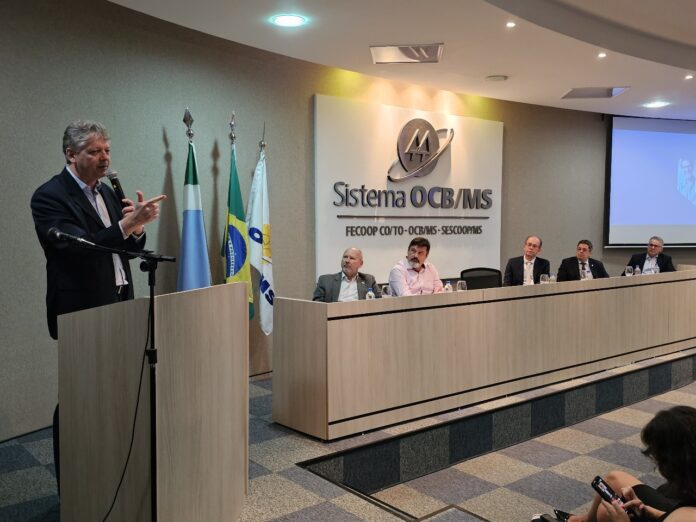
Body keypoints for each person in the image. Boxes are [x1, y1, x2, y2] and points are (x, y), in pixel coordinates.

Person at [31, 120, 166, 492]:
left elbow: (125, 249)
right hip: (82, 311)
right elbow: (78, 248)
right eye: (94, 151)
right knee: (79, 397)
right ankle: (73, 486)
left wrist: (137, 229)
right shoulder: (49, 196)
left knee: (116, 392)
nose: (105, 158)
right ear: (71, 154)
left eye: (107, 150)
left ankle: (110, 471)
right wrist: (125, 227)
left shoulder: (106, 192)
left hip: (120, 303)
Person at [554, 406, 696, 522]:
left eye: (658, 458)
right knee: (614, 480)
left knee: (605, 512)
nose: (656, 465)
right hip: (672, 510)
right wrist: (651, 512)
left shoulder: (683, 516)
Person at [313, 247, 381, 302]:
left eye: (352, 258)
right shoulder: (325, 281)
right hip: (335, 314)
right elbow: (317, 305)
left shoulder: (369, 280)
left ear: (360, 264)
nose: (347, 261)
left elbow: (380, 301)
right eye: (345, 257)